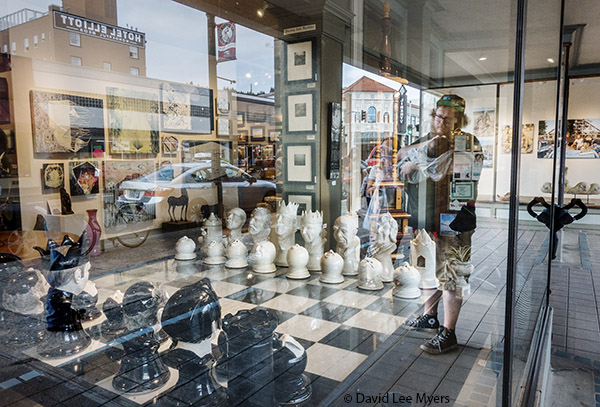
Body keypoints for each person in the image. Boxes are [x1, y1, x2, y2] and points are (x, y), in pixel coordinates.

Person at [397, 94, 481, 355]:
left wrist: (419, 165)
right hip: (425, 218)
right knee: (427, 271)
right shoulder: (422, 141)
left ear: (459, 121)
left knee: (453, 276)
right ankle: (430, 315)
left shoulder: (469, 142)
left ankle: (449, 332)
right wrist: (420, 159)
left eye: (448, 119)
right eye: (438, 116)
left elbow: (462, 172)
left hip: (454, 221)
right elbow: (401, 160)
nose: (441, 122)